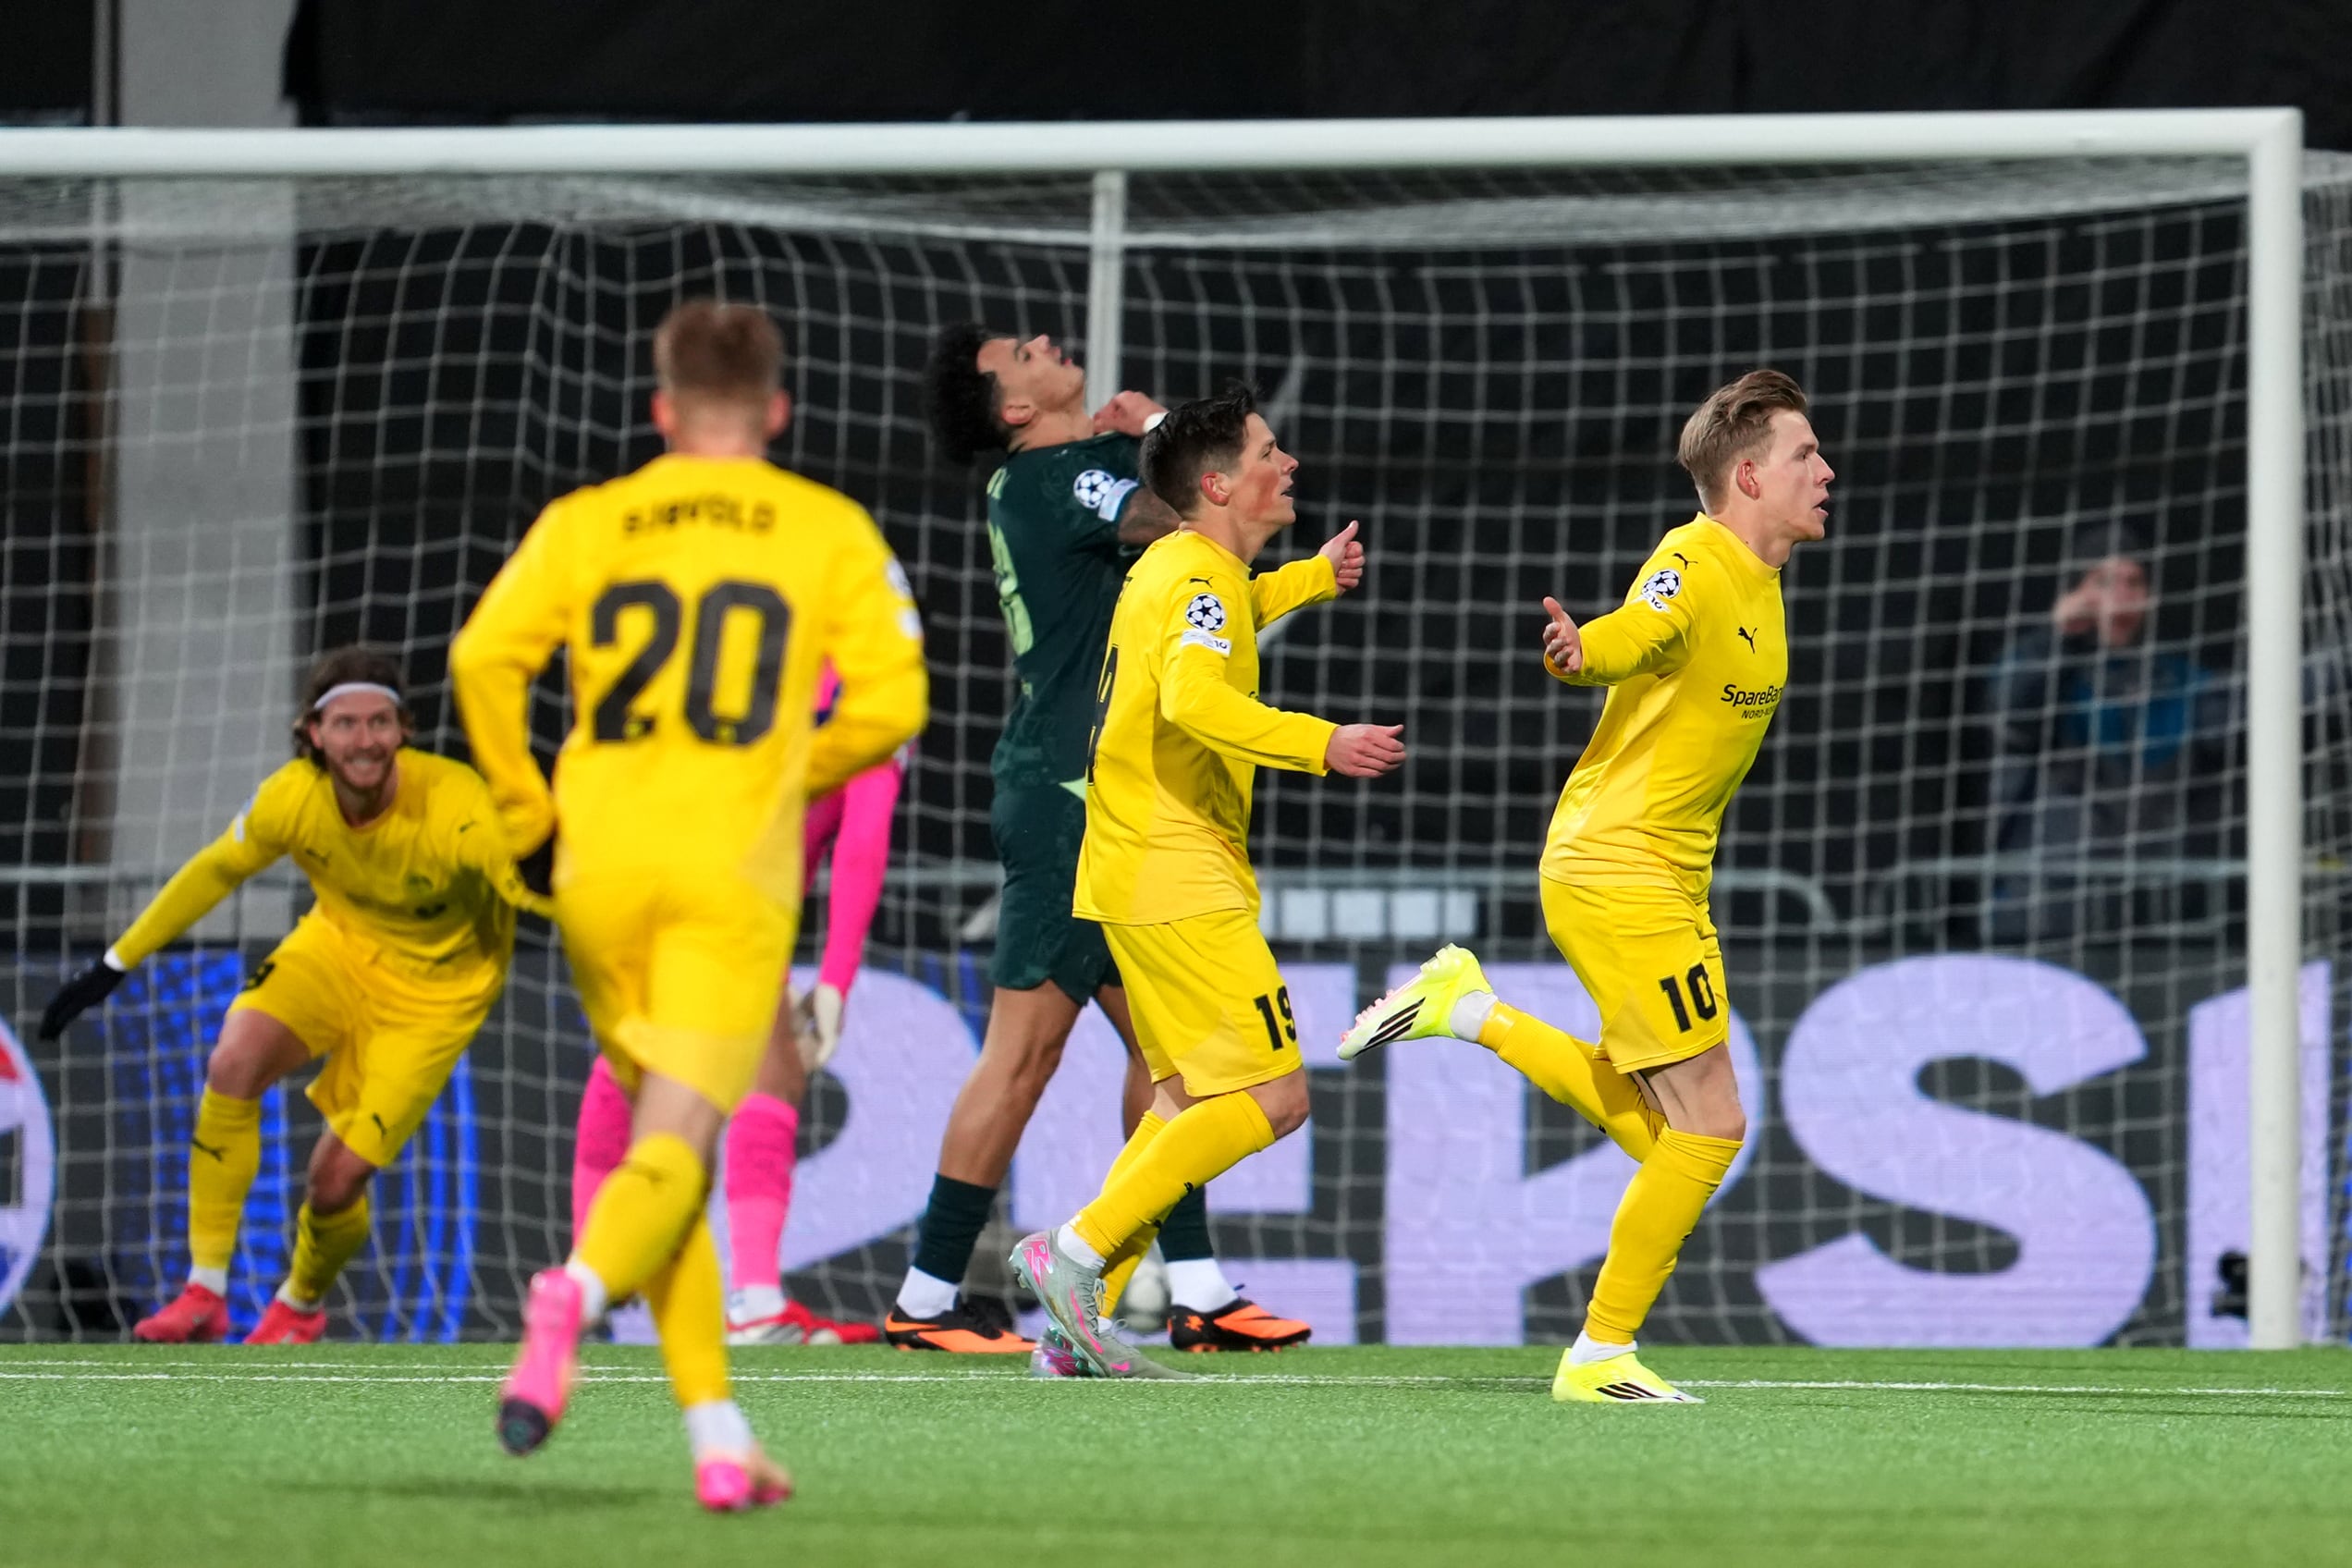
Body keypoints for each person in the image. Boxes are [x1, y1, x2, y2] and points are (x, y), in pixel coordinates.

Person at [450, 300, 925, 1509]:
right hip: (728, 872)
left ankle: (719, 1435)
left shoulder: (586, 521)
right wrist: (780, 771)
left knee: (667, 1151)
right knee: (672, 1150)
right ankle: (572, 1293)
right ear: (776, 412)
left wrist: (523, 815)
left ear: (660, 410)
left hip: (596, 868)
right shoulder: (827, 530)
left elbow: (478, 664)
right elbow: (890, 709)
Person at [1341, 369, 1830, 1404]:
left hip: (1659, 872)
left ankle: (1467, 1008)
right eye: (1803, 454)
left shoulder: (1763, 576)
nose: (1825, 471)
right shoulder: (1695, 559)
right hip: (1621, 865)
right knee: (1712, 1125)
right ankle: (1600, 1354)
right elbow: (1631, 630)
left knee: (1670, 1138)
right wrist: (1580, 653)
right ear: (1748, 474)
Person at [897, 325, 1310, 1357]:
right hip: (1076, 795)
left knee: (1169, 1057)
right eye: (1015, 353)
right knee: (1029, 1050)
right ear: (1013, 411)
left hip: (1088, 792)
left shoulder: (1049, 476)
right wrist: (1162, 430)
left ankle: (1192, 1284)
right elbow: (1177, 515)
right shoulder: (1058, 473)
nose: (1042, 340)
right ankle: (930, 1292)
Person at [1011, 382, 1403, 1378]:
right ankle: (1073, 1253)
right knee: (1273, 1098)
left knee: (1182, 1101)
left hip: (1136, 866)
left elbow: (1224, 619)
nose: (1290, 464)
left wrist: (1309, 579)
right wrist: (1323, 743)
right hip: (1174, 870)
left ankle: (1071, 1320)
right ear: (1221, 482)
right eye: (1271, 450)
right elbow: (1192, 693)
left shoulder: (1187, 568)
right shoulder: (1194, 578)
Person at [37, 647, 545, 1345]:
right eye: (345, 724)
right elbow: (215, 870)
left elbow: (530, 889)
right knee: (231, 1063)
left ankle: (299, 1305)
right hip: (335, 948)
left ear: (404, 730)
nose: (363, 741)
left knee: (333, 1182)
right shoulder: (292, 799)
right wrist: (114, 963)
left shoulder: (454, 806)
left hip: (437, 994)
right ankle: (205, 1293)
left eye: (379, 723)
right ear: (313, 732)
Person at [570, 661, 901, 1346]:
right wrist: (836, 978)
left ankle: (587, 1273)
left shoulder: (755, 654)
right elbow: (862, 845)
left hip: (646, 871)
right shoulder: (876, 689)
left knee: (636, 1062)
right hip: (718, 894)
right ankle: (748, 1300)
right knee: (766, 1074)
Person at [1984, 525, 2230, 939]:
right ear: (2075, 592)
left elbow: (2247, 707)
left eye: (2133, 583)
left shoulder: (2176, 681)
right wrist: (2058, 636)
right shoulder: (2041, 668)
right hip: (2045, 908)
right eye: (2105, 582)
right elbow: (2011, 714)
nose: (2122, 596)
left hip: (2149, 911)